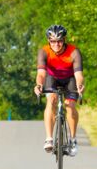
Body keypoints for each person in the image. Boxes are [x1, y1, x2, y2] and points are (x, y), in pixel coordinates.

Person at [34, 25, 84, 156]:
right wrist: (39, 85)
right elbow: (41, 74)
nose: (57, 44)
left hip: (70, 79)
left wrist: (80, 85)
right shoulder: (44, 52)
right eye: (53, 41)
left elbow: (78, 75)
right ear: (49, 41)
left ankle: (73, 140)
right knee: (51, 100)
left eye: (60, 41)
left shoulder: (74, 52)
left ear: (64, 40)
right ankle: (49, 138)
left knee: (70, 105)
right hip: (52, 78)